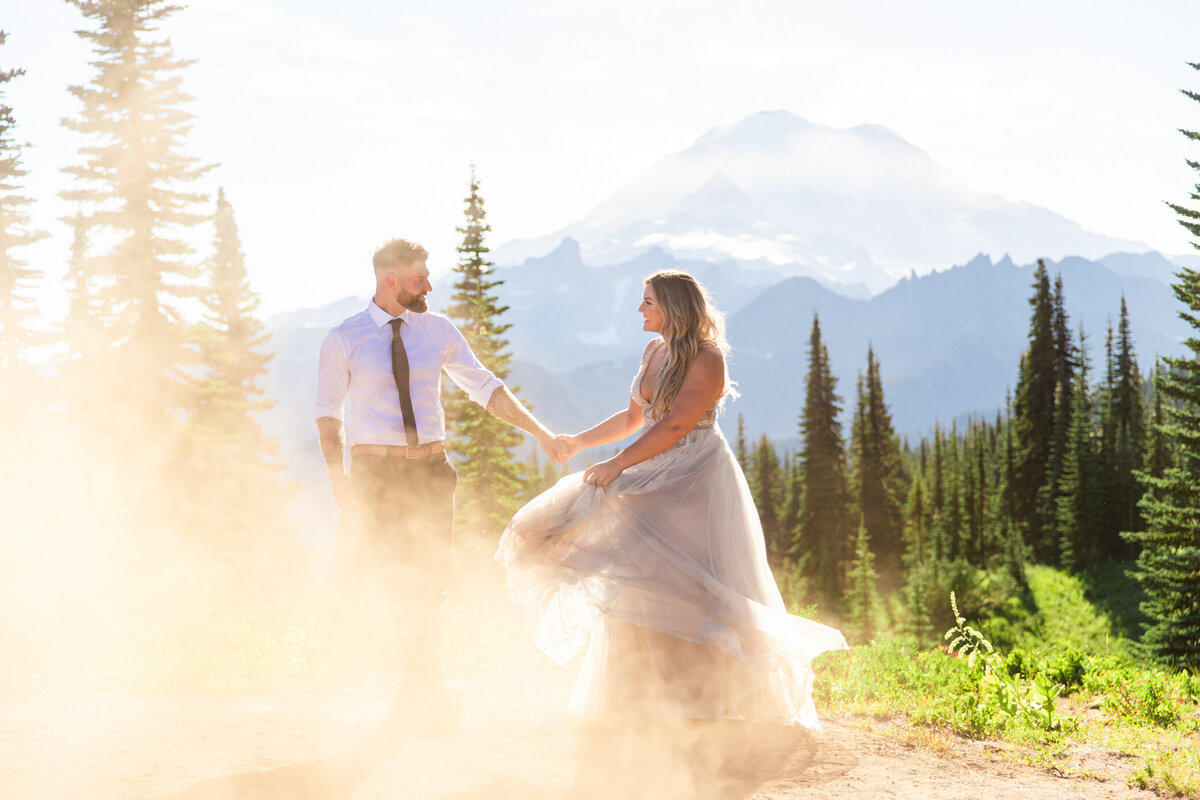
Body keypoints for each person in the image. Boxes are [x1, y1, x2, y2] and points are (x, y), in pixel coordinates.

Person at [496, 270, 847, 734]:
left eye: (647, 302)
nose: (639, 310)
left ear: (673, 308)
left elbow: (679, 424)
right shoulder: (654, 351)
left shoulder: (708, 358)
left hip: (695, 475)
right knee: (642, 573)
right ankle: (639, 693)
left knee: (684, 579)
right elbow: (632, 418)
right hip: (657, 467)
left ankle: (695, 700)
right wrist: (578, 443)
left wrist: (618, 466)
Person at [315, 237, 566, 726]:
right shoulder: (343, 338)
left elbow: (485, 387)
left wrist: (539, 432)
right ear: (391, 281)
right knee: (399, 579)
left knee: (431, 581)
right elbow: (328, 417)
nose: (429, 285)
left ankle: (420, 691)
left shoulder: (438, 330)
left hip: (432, 472)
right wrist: (336, 479)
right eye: (418, 279)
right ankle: (422, 693)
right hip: (377, 477)